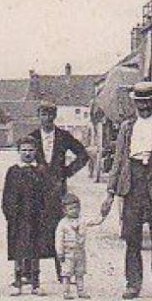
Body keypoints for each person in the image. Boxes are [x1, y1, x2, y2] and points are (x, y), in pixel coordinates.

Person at [101, 79, 152, 300]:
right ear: (135, 104)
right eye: (140, 103)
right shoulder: (127, 128)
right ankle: (133, 284)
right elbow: (118, 161)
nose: (144, 107)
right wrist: (110, 192)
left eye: (148, 102)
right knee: (132, 240)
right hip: (132, 187)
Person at [31, 100, 91, 283]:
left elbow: (83, 155)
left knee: (61, 229)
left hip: (58, 191)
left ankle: (63, 272)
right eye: (43, 114)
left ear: (54, 116)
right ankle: (34, 276)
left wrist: (66, 172)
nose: (46, 118)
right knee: (36, 229)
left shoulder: (64, 136)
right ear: (39, 116)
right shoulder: (31, 137)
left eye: (50, 115)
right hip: (37, 191)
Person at [3, 135, 54, 296]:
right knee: (18, 249)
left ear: (36, 151)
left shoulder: (41, 170)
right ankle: (18, 282)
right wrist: (10, 213)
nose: (27, 153)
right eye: (24, 150)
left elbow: (47, 194)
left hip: (37, 216)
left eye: (30, 150)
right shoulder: (13, 171)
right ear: (18, 151)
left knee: (36, 249)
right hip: (18, 217)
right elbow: (7, 195)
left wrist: (46, 214)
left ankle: (35, 283)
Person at [54, 194, 92, 300]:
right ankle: (66, 291)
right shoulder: (63, 224)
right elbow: (59, 239)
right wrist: (60, 252)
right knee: (67, 272)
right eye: (71, 209)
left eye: (76, 208)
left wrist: (102, 216)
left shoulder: (82, 220)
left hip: (80, 251)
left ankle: (81, 290)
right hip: (68, 252)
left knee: (80, 272)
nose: (74, 211)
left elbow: (93, 222)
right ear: (64, 210)